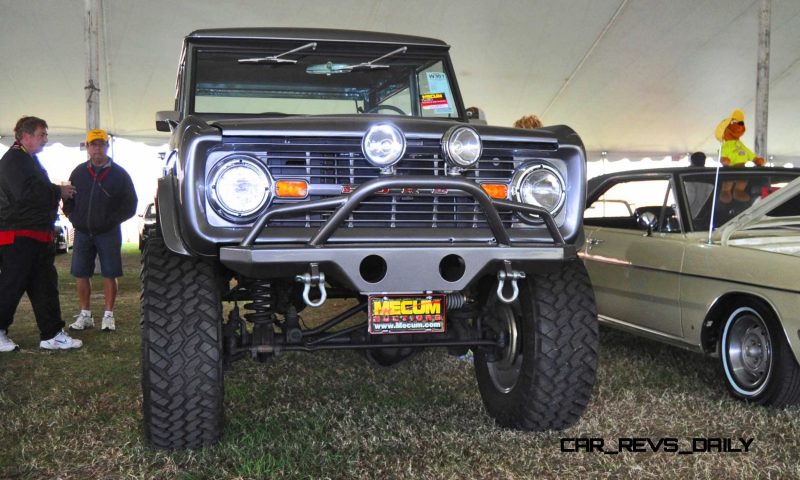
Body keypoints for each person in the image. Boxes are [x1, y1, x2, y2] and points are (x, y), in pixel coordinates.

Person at [0, 116, 82, 351]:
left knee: (45, 285)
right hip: (18, 235)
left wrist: (54, 192)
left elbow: (34, 190)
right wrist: (58, 191)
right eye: (41, 134)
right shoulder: (14, 160)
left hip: (36, 234)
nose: (45, 139)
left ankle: (52, 333)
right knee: (11, 285)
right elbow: (26, 195)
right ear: (24, 136)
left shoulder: (27, 160)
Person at [63, 129, 137, 332]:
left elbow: (131, 204)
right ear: (87, 148)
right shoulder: (78, 172)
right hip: (83, 233)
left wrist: (111, 221)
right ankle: (85, 315)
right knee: (80, 273)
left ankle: (108, 315)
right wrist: (72, 217)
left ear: (107, 146)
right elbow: (68, 197)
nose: (98, 148)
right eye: (93, 144)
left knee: (110, 273)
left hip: (108, 232)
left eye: (101, 144)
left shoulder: (119, 174)